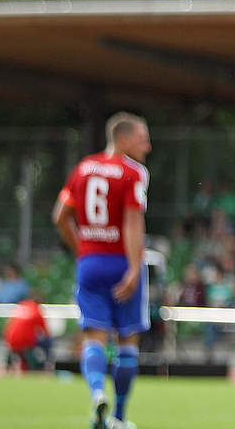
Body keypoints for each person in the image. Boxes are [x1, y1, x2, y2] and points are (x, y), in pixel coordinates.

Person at [52, 112, 151, 429]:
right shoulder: (133, 172)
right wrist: (135, 268)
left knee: (94, 336)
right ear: (122, 139)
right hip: (122, 262)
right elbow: (133, 221)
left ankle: (97, 394)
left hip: (90, 262)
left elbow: (60, 216)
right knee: (126, 341)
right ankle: (119, 417)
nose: (147, 146)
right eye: (142, 138)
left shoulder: (83, 168)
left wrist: (83, 247)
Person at [3, 295, 51, 372]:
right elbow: (45, 331)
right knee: (48, 342)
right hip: (25, 342)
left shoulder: (21, 305)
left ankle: (14, 366)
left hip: (10, 340)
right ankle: (46, 366)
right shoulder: (37, 310)